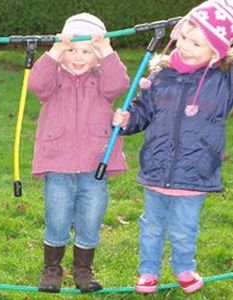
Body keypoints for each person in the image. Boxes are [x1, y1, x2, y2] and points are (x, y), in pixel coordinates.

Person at [112, 0, 233, 294]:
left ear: (217, 52)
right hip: (156, 167)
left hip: (195, 172)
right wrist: (128, 119)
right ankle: (148, 272)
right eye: (184, 38)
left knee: (184, 228)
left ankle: (183, 267)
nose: (187, 47)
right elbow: (143, 113)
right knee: (151, 226)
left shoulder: (223, 81)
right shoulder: (159, 76)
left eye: (198, 43)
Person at [28, 12, 129, 293]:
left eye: (87, 51)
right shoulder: (53, 81)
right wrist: (55, 50)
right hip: (58, 165)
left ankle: (83, 270)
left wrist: (107, 50)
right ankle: (52, 269)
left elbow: (119, 83)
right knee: (57, 218)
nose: (78, 56)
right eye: (72, 50)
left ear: (96, 57)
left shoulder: (102, 83)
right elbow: (36, 84)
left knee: (90, 219)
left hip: (95, 165)